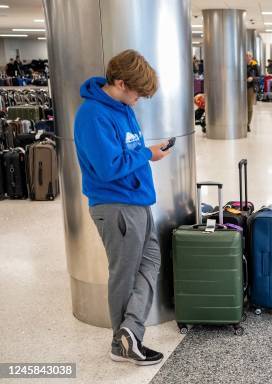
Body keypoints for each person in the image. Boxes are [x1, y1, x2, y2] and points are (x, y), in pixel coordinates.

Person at [74, 49, 170, 365]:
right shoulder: (92, 115)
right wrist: (147, 154)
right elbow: (108, 167)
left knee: (151, 261)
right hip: (116, 206)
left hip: (136, 201)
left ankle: (129, 331)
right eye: (138, 93)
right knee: (124, 275)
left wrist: (145, 153)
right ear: (119, 82)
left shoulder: (121, 107)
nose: (139, 99)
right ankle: (123, 342)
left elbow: (126, 151)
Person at [246, 51, 260, 133]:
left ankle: (247, 124)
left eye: (249, 55)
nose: (248, 57)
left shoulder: (255, 65)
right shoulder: (240, 64)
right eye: (246, 55)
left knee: (249, 106)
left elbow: (259, 77)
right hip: (240, 88)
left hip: (250, 87)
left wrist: (252, 78)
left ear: (251, 57)